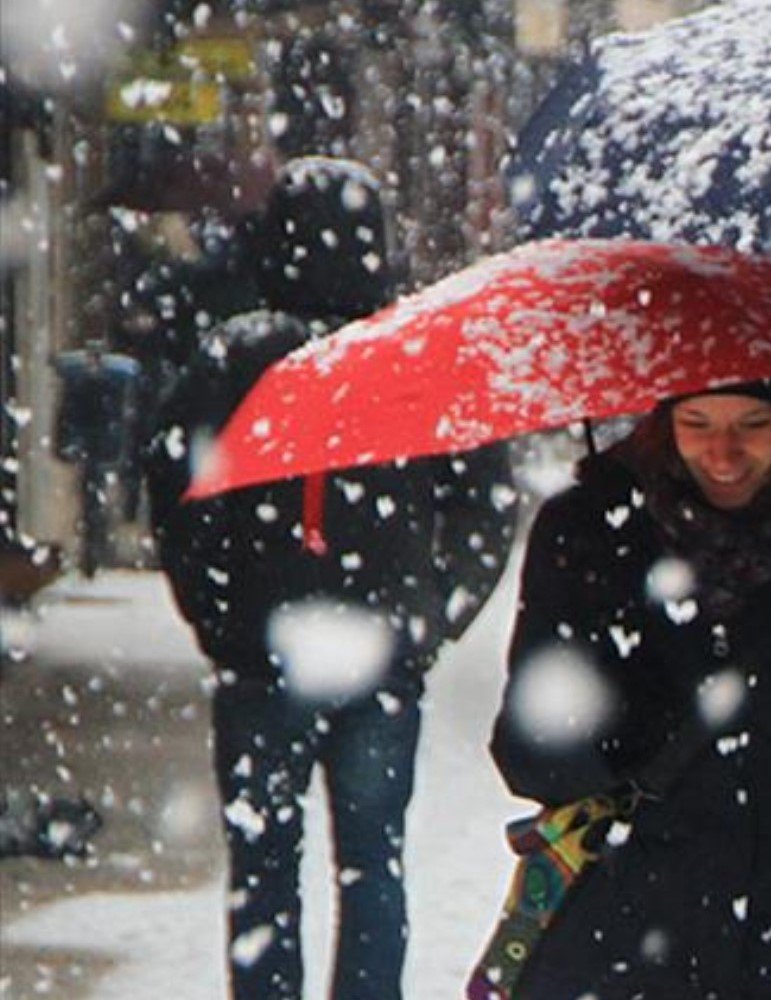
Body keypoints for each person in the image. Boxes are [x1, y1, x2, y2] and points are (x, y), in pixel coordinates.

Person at [145, 157, 516, 1000]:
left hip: (262, 658)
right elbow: (485, 505)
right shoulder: (419, 359)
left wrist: (222, 615)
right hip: (380, 658)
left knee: (262, 866)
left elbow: (176, 494)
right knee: (373, 865)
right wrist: (429, 617)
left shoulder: (233, 359)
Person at [488, 372, 771, 999]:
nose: (723, 454)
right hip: (627, 938)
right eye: (696, 424)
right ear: (663, 424)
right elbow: (530, 760)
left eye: (753, 425)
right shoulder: (591, 530)